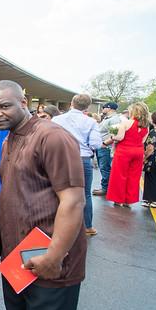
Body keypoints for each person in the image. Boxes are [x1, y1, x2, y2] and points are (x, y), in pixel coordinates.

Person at [0, 80, 86, 310]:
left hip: (51, 262)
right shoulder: (9, 140)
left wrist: (53, 256)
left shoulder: (52, 137)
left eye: (4, 106)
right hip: (17, 261)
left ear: (23, 103)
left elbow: (74, 202)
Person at [53, 94, 102, 236]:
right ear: (87, 107)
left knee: (58, 191)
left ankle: (57, 224)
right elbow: (95, 144)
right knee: (85, 193)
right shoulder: (91, 122)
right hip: (83, 158)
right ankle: (87, 226)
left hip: (61, 158)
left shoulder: (57, 119)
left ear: (71, 104)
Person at [106, 102, 150, 207]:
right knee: (134, 177)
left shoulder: (126, 123)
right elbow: (143, 141)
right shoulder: (146, 126)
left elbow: (120, 138)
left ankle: (118, 199)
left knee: (119, 175)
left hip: (124, 151)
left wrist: (112, 136)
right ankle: (128, 200)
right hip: (138, 151)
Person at [93, 102, 122, 196]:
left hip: (105, 147)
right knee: (103, 168)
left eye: (103, 107)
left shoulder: (114, 119)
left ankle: (106, 188)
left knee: (105, 168)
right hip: (102, 146)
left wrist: (104, 143)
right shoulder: (108, 118)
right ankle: (106, 187)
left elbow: (114, 134)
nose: (102, 109)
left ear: (109, 108)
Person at [143, 111, 156, 208]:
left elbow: (150, 148)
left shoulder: (154, 132)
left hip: (154, 160)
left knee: (151, 179)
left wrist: (144, 158)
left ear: (153, 120)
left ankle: (155, 199)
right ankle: (150, 199)